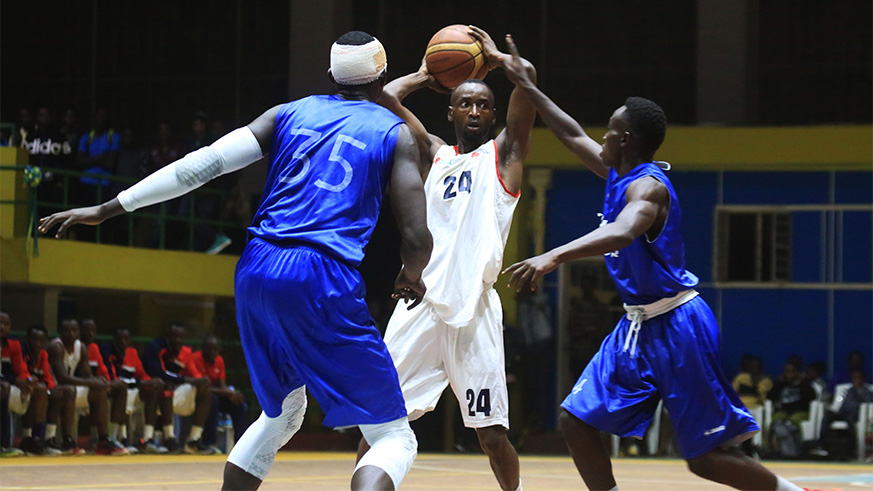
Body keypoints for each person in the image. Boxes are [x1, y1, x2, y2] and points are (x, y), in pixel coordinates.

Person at [40, 30, 432, 491]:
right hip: (319, 273)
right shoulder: (393, 131)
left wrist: (109, 208)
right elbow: (416, 236)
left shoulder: (287, 113)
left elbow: (201, 164)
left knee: (282, 412)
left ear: (330, 75)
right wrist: (412, 275)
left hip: (256, 269)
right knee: (392, 434)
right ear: (382, 76)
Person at [498, 34, 832, 491]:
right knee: (575, 421)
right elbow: (572, 133)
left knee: (705, 460)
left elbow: (622, 231)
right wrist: (529, 88)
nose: (603, 136)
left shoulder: (648, 188)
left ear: (626, 139)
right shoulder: (619, 171)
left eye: (610, 130)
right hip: (637, 325)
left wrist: (553, 254)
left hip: (678, 325)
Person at [355, 25, 535, 491]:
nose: (475, 109)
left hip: (474, 312)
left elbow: (528, 80)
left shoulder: (505, 156)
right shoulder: (432, 153)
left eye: (483, 104)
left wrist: (495, 58)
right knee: (379, 420)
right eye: (465, 102)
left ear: (494, 114)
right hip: (420, 306)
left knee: (491, 434)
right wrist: (421, 74)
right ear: (451, 110)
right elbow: (382, 99)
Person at [45, 318, 128, 455]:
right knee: (70, 390)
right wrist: (91, 382)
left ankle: (103, 440)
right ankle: (67, 440)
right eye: (67, 330)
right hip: (52, 388)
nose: (71, 334)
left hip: (68, 390)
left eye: (74, 330)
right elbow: (62, 378)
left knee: (99, 391)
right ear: (60, 332)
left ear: (78, 333)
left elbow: (87, 374)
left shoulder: (81, 347)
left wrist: (100, 382)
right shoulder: (56, 347)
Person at [143, 323, 213, 454]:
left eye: (181, 337)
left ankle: (193, 440)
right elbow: (160, 373)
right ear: (167, 336)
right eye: (175, 336)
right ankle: (153, 439)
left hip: (173, 392)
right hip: (149, 393)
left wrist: (202, 381)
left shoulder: (185, 351)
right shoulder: (156, 347)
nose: (178, 340)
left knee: (205, 390)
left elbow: (195, 375)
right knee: (161, 385)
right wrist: (189, 380)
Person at [101, 326, 168, 453]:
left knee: (153, 390)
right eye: (120, 338)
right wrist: (142, 382)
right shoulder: (106, 351)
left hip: (132, 389)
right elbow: (114, 380)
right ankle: (122, 438)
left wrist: (149, 383)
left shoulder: (132, 352)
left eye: (126, 338)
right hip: (114, 391)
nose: (123, 341)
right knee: (122, 390)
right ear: (114, 339)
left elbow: (142, 374)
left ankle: (147, 439)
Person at [22, 325, 84, 456]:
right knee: (40, 390)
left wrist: (51, 387)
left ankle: (50, 439)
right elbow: (20, 372)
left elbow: (48, 377)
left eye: (41, 340)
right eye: (34, 340)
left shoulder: (43, 354)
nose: (38, 343)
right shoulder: (22, 351)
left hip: (38, 390)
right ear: (27, 339)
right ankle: (30, 438)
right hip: (22, 388)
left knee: (58, 392)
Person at [0, 312, 50, 455]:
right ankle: (4, 444)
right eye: (0, 323)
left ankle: (35, 439)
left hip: (8, 385)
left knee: (39, 388)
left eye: (6, 324)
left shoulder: (14, 345)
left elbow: (21, 369)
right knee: (4, 387)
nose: (2, 327)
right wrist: (14, 380)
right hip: (6, 385)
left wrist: (28, 380)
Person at [193, 335, 249, 452]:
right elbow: (201, 386)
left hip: (215, 393)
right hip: (198, 396)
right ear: (203, 348)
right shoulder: (195, 359)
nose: (212, 352)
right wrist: (226, 392)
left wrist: (231, 394)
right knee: (213, 400)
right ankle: (208, 443)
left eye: (215, 349)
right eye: (209, 349)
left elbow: (222, 385)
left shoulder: (219, 360)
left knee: (237, 403)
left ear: (220, 349)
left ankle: (241, 445)